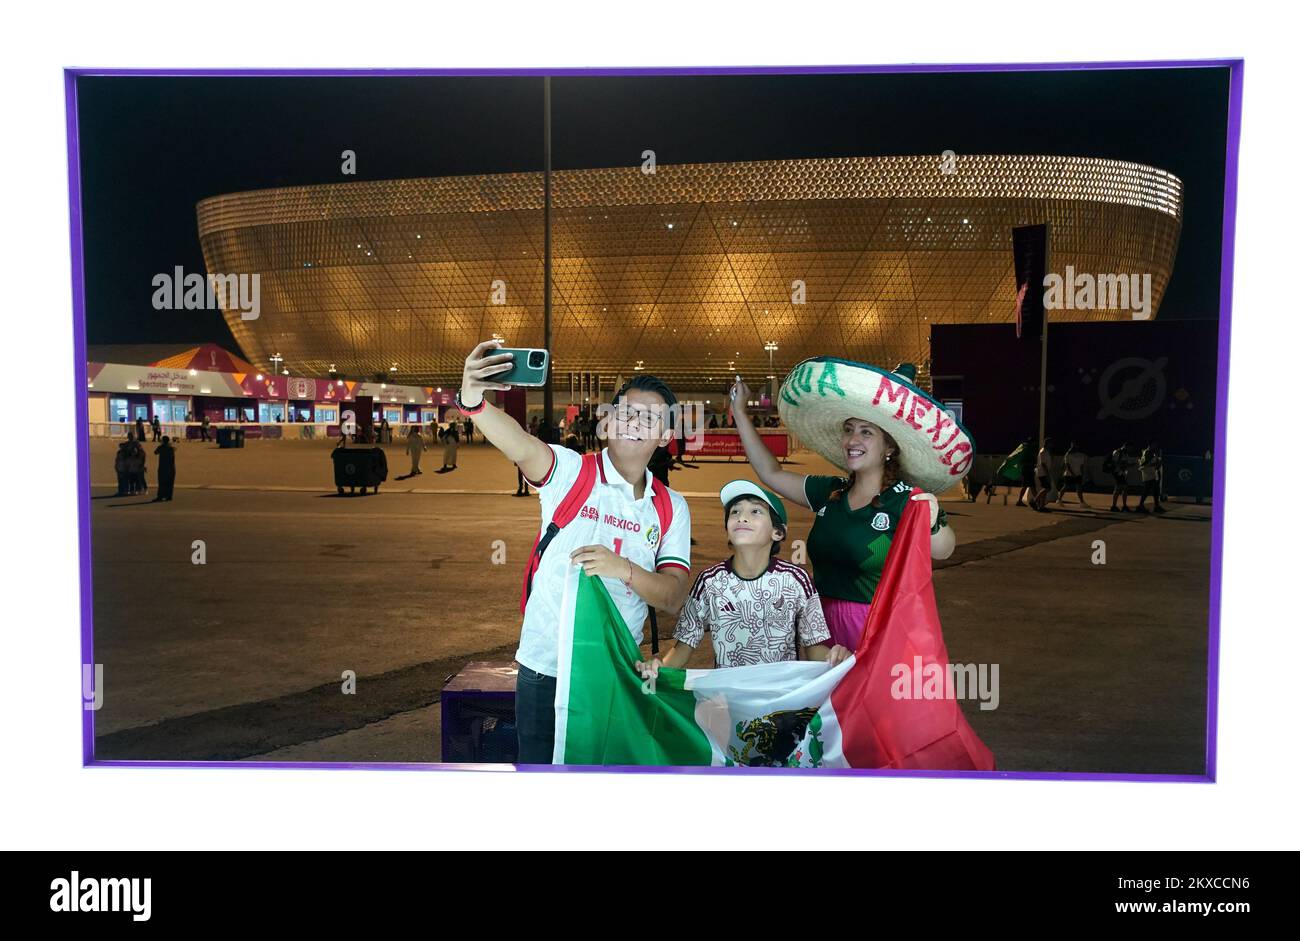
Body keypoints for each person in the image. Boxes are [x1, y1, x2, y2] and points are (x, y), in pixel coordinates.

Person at [458, 339, 693, 764]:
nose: (634, 422)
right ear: (608, 421)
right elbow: (521, 445)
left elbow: (674, 595)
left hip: (616, 670)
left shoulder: (670, 507)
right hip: (544, 666)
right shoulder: (572, 471)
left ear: (666, 435)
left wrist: (622, 568)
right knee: (540, 777)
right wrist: (473, 401)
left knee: (601, 780)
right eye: (626, 412)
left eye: (650, 417)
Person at [728, 362, 961, 653]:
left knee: (862, 700)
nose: (853, 439)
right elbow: (771, 473)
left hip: (876, 632)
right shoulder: (831, 492)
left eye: (866, 432)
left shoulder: (904, 499)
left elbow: (943, 550)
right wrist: (740, 413)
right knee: (826, 700)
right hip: (819, 629)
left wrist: (934, 521)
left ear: (889, 448)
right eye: (849, 429)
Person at [637, 481, 849, 677]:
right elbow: (682, 648)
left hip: (782, 705)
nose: (742, 517)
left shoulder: (796, 580)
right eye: (735, 512)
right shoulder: (709, 582)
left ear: (778, 532)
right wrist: (660, 668)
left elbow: (814, 649)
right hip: (728, 704)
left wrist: (836, 660)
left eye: (755, 511)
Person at [1137, 441, 1166, 514]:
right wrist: (1156, 463)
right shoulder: (1148, 452)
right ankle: (1142, 506)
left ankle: (1155, 506)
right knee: (1148, 490)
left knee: (1153, 490)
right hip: (1149, 474)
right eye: (1154, 444)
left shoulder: (1149, 452)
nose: (1155, 446)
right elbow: (1145, 464)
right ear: (1151, 445)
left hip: (1151, 473)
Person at [1058, 442, 1089, 507]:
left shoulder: (1081, 455)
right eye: (1075, 446)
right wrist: (1073, 474)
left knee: (1079, 488)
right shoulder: (1068, 455)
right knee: (1066, 487)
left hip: (1078, 474)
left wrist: (1082, 474)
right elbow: (1067, 466)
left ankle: (1082, 502)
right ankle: (1059, 499)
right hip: (1069, 474)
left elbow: (1081, 466)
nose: (1076, 447)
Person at [1109, 441, 1136, 512]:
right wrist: (1125, 466)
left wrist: (1129, 465)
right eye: (1130, 448)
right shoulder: (1118, 452)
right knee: (1120, 488)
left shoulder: (1124, 453)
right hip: (1118, 473)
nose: (1131, 450)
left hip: (1121, 473)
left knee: (1122, 488)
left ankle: (1119, 506)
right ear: (1127, 446)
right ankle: (1115, 506)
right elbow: (1115, 463)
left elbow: (1124, 464)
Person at [1032, 437, 1055, 511]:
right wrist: (1047, 474)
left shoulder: (1046, 451)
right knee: (1047, 488)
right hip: (1043, 473)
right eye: (1051, 443)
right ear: (1047, 444)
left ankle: (1041, 506)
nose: (1052, 445)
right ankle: (1035, 500)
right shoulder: (1043, 451)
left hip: (1043, 472)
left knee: (1045, 489)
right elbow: (1043, 464)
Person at [153, 436, 176, 502]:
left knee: (162, 483)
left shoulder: (161, 447)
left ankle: (160, 496)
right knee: (170, 483)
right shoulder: (171, 448)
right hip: (171, 468)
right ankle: (169, 496)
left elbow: (155, 452)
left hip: (163, 467)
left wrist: (161, 445)